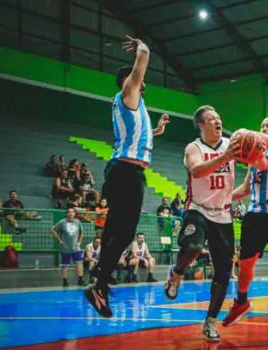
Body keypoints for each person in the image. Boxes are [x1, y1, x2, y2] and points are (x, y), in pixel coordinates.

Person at [84, 35, 170, 318]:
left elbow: (135, 133)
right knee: (125, 233)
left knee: (114, 230)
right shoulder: (128, 91)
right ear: (130, 80)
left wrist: (155, 131)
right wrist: (143, 47)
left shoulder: (134, 106)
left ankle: (100, 278)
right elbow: (141, 63)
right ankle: (100, 284)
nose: (143, 82)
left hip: (122, 169)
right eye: (138, 78)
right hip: (127, 172)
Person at [164, 105, 238, 342]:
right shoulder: (193, 148)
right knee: (194, 247)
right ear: (201, 125)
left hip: (224, 215)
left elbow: (255, 159)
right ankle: (176, 273)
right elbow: (196, 171)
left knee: (224, 273)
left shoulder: (231, 143)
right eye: (211, 119)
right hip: (198, 209)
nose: (217, 121)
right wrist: (224, 158)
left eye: (218, 117)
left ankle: (210, 321)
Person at [222, 117, 268, 345]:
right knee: (245, 263)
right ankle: (241, 301)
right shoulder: (255, 156)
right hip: (256, 214)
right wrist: (221, 198)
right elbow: (245, 189)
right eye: (262, 126)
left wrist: (247, 132)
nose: (264, 129)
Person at [50, 208, 86, 287]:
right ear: (67, 214)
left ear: (74, 213)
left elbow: (82, 232)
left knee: (79, 263)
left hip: (76, 248)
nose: (71, 213)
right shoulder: (62, 222)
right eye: (69, 212)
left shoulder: (77, 222)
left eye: (72, 212)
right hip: (65, 248)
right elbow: (52, 230)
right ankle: (65, 281)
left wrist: (79, 241)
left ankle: (80, 279)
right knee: (65, 265)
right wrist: (59, 240)